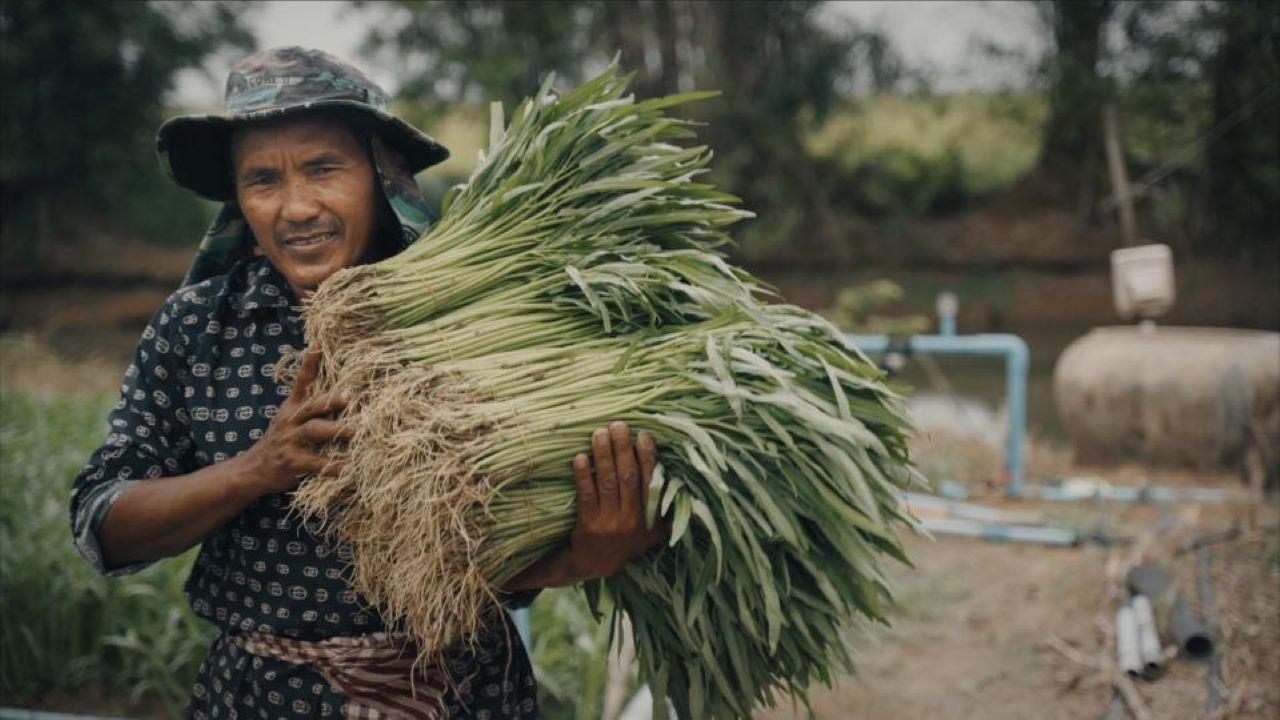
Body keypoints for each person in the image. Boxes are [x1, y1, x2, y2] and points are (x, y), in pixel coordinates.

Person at [69, 46, 665, 719]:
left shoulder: (482, 318)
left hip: (459, 697)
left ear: (382, 176)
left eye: (324, 169)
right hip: (261, 701)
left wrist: (583, 554)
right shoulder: (199, 329)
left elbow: (502, 554)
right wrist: (256, 469)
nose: (295, 208)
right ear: (238, 198)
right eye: (262, 180)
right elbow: (102, 522)